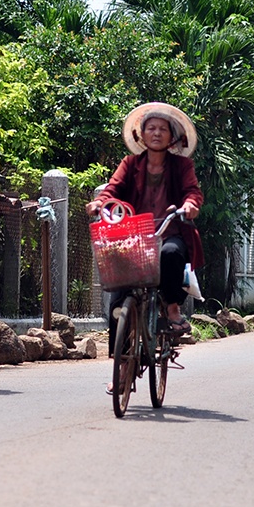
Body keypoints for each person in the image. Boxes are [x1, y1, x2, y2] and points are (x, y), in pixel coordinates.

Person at [86, 102, 204, 338]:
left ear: (172, 136)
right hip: (133, 235)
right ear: (142, 133)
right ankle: (119, 362)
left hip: (168, 232)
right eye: (151, 128)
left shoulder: (182, 165)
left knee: (171, 254)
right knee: (118, 296)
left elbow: (193, 191)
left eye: (162, 128)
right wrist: (100, 202)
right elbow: (112, 189)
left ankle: (172, 308)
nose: (157, 133)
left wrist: (190, 205)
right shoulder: (130, 164)